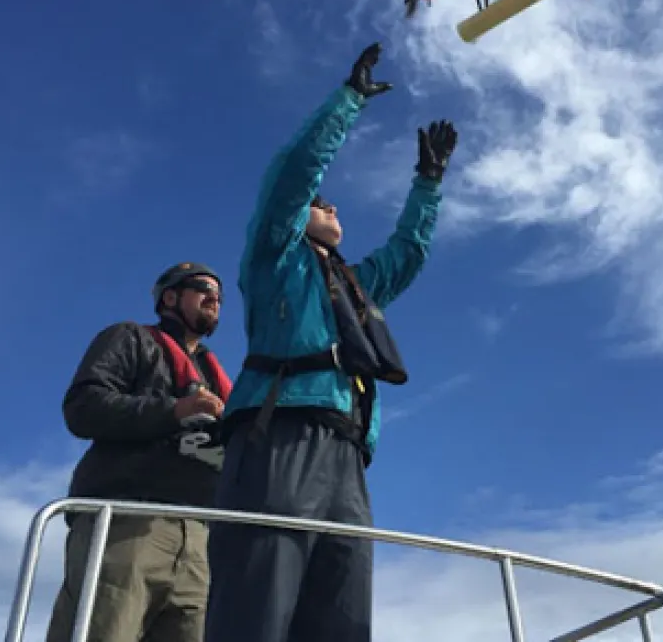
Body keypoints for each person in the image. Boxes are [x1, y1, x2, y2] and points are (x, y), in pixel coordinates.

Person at [203, 43, 459, 642]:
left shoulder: (356, 283)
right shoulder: (274, 257)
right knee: (257, 606)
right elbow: (293, 176)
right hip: (280, 434)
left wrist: (428, 184)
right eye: (321, 205)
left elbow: (408, 253)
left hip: (348, 453)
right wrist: (348, 101)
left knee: (343, 616)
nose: (332, 205)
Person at [46, 262, 233, 642]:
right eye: (202, 287)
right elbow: (83, 407)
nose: (214, 298)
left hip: (198, 539)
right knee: (104, 632)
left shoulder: (212, 374)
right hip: (125, 521)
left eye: (220, 294)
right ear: (170, 297)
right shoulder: (130, 338)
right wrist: (174, 410)